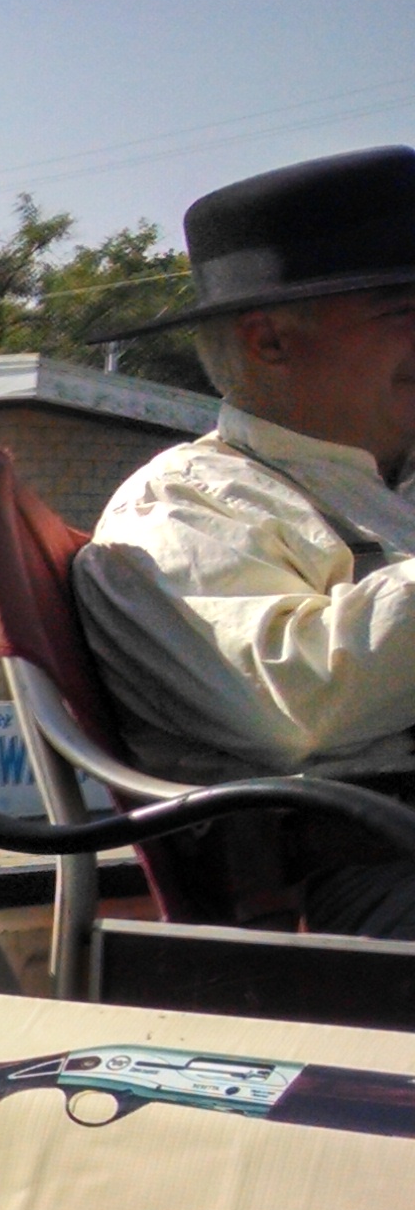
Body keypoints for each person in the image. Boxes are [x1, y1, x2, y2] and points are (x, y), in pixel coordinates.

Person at [74, 146, 415, 932]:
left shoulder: (390, 485)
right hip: (348, 892)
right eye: (403, 310)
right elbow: (299, 705)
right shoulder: (181, 507)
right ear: (270, 343)